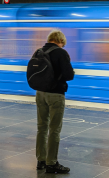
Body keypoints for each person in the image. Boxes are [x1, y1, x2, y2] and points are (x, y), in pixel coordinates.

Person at [35, 30, 73, 174]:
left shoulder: (39, 51)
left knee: (42, 127)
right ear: (60, 41)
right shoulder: (61, 53)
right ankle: (52, 163)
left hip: (40, 93)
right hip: (55, 95)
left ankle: (41, 160)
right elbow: (69, 75)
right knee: (54, 129)